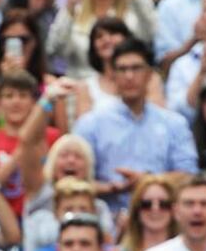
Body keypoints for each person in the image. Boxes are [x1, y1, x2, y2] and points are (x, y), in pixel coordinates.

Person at [73, 38, 199, 214]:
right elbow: (73, 181)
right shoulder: (90, 124)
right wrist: (111, 188)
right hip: (108, 219)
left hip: (162, 216)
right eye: (122, 69)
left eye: (136, 68)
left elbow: (188, 176)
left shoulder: (174, 124)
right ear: (113, 76)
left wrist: (149, 181)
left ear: (149, 74)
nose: (129, 76)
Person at [0, 71, 62, 218]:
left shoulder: (52, 137)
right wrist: (23, 148)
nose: (16, 102)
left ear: (34, 102)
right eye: (9, 96)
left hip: (42, 214)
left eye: (23, 96)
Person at [45, 0, 156, 80]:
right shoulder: (73, 12)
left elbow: (152, 32)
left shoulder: (133, 13)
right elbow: (55, 49)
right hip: (81, 86)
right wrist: (70, 6)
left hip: (126, 84)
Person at [0, 9, 60, 132]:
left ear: (35, 43)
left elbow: (57, 126)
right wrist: (3, 81)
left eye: (24, 39)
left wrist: (45, 101)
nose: (19, 46)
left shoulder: (49, 84)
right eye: (8, 40)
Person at [73, 17, 165, 117]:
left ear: (126, 38)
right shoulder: (85, 87)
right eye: (99, 36)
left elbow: (159, 119)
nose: (106, 39)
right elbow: (83, 129)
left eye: (113, 33)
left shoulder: (149, 78)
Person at [117, 175, 177, 251]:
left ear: (174, 210)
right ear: (137, 210)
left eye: (163, 204)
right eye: (146, 204)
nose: (155, 209)